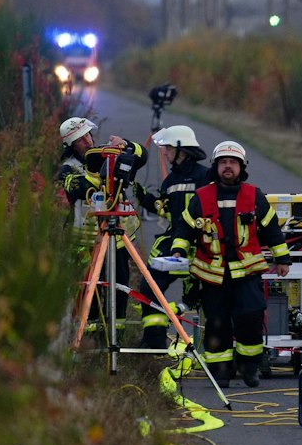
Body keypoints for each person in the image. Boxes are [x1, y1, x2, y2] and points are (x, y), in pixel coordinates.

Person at [184, 140, 288, 387]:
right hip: (213, 276)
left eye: (232, 162)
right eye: (223, 162)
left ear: (242, 167)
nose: (227, 167)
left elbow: (272, 229)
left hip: (247, 274)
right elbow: (185, 230)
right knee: (217, 323)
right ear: (215, 167)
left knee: (250, 318)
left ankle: (249, 368)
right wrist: (178, 252)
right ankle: (221, 372)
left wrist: (282, 258)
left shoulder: (255, 196)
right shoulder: (200, 198)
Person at [57, 117, 146, 339]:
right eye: (80, 139)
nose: (87, 140)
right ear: (71, 145)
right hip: (88, 240)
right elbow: (80, 187)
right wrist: (100, 168)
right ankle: (89, 338)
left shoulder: (104, 154)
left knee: (120, 286)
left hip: (118, 236)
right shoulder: (69, 169)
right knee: (92, 287)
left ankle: (117, 335)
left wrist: (124, 145)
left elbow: (141, 157)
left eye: (88, 135)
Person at [139, 126, 207, 350]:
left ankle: (214, 351)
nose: (165, 154)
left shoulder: (205, 177)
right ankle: (154, 343)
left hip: (202, 248)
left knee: (208, 300)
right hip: (175, 246)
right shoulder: (169, 181)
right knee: (148, 289)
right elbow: (166, 210)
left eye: (168, 149)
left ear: (181, 150)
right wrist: (144, 198)